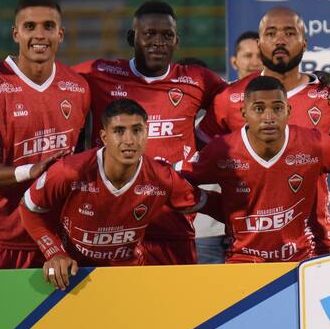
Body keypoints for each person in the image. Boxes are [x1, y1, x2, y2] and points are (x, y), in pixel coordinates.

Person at [0, 0, 229, 265]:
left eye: (166, 35)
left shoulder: (197, 79)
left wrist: (203, 143)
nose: (158, 42)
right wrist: (2, 70)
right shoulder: (98, 73)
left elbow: (235, 102)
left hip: (172, 223)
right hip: (106, 227)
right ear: (132, 38)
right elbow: (46, 77)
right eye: (149, 34)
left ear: (177, 40)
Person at [183, 76, 330, 263]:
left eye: (277, 108)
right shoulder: (222, 150)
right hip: (242, 262)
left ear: (289, 111)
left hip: (300, 261)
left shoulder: (312, 143)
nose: (269, 117)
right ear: (244, 112)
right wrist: (207, 202)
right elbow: (176, 178)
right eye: (259, 109)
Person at [199, 7, 330, 253]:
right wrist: (215, 204)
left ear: (305, 43)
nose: (280, 39)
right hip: (245, 251)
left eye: (290, 33)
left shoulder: (328, 96)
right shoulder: (230, 98)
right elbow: (198, 158)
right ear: (259, 44)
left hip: (313, 246)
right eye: (271, 33)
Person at [0, 0, 91, 269]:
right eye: (29, 27)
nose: (40, 35)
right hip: (0, 237)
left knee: (58, 315)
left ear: (61, 34)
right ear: (15, 34)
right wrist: (30, 171)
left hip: (56, 239)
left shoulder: (79, 87)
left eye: (48, 26)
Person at [21, 99, 207, 289]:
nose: (129, 140)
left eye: (137, 130)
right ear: (104, 136)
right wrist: (55, 253)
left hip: (128, 279)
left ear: (146, 133)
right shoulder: (69, 170)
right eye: (119, 131)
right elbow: (28, 209)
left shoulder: (162, 177)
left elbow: (208, 203)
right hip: (74, 277)